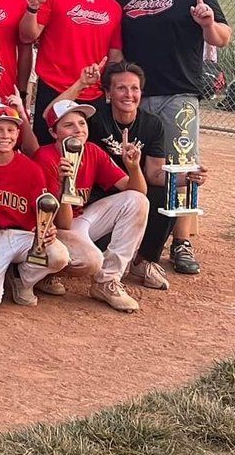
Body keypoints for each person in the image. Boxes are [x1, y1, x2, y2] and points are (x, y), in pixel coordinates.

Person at [111, 0, 229, 276]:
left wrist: (207, 23)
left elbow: (222, 37)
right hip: (135, 96)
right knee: (133, 165)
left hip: (179, 93)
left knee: (182, 167)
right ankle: (135, 237)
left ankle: (182, 241)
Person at [33, 99, 149, 312]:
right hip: (54, 228)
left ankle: (108, 281)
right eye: (69, 125)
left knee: (137, 201)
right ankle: (46, 273)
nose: (78, 129)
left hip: (81, 218)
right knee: (91, 260)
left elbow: (138, 192)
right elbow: (63, 223)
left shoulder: (92, 150)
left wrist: (133, 168)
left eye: (82, 123)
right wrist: (63, 185)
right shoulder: (46, 157)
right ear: (53, 132)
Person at [0, 104, 70, 311]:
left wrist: (47, 227)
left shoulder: (31, 169)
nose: (5, 135)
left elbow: (43, 210)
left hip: (25, 236)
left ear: (18, 133)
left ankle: (23, 279)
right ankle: (0, 275)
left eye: (11, 130)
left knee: (59, 256)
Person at [84, 61, 182, 291]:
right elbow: (53, 116)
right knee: (95, 254)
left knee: (167, 195)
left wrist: (188, 178)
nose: (129, 95)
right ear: (108, 92)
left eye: (135, 88)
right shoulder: (95, 117)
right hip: (102, 193)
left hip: (137, 189)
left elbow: (155, 173)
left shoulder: (152, 123)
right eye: (121, 88)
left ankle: (144, 261)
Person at [20, 0, 123, 141]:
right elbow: (27, 36)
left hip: (93, 93)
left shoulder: (113, 7)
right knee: (48, 153)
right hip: (54, 87)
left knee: (90, 159)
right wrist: (32, 7)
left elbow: (115, 56)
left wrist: (108, 86)